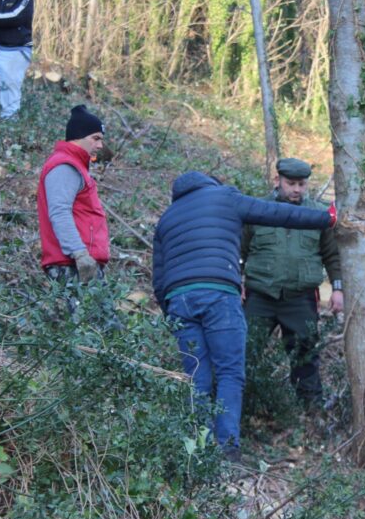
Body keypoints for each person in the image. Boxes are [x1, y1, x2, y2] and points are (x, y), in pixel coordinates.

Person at [153, 172, 337, 461]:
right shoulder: (225, 197)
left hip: (180, 300)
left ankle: (200, 450)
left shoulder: (167, 217)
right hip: (218, 294)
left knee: (196, 377)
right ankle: (227, 450)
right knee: (228, 372)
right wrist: (326, 218)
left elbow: (159, 277)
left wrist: (172, 313)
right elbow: (276, 213)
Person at [241, 158, 342, 409]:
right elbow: (238, 251)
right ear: (277, 181)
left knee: (305, 356)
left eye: (302, 184)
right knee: (244, 350)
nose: (296, 189)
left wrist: (338, 288)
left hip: (300, 298)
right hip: (259, 295)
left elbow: (332, 256)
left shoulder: (319, 215)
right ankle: (239, 408)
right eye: (291, 183)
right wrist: (236, 281)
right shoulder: (256, 210)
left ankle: (310, 412)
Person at [36, 105, 110, 294]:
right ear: (78, 137)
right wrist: (79, 253)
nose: (100, 146)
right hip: (72, 265)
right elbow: (59, 212)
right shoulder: (65, 167)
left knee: (98, 322)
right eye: (95, 139)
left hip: (78, 263)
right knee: (93, 322)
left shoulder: (74, 166)